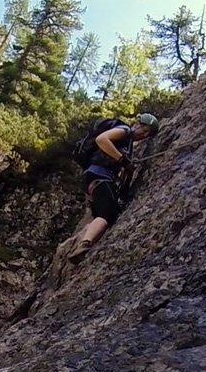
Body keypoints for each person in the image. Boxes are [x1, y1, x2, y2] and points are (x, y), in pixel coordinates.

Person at [68, 112, 159, 263]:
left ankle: (85, 241)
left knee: (100, 215)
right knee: (108, 214)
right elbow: (101, 139)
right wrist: (123, 160)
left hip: (92, 177)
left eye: (147, 134)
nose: (143, 135)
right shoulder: (125, 130)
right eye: (144, 130)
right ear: (138, 124)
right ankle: (84, 245)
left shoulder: (127, 144)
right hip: (100, 175)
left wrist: (127, 170)